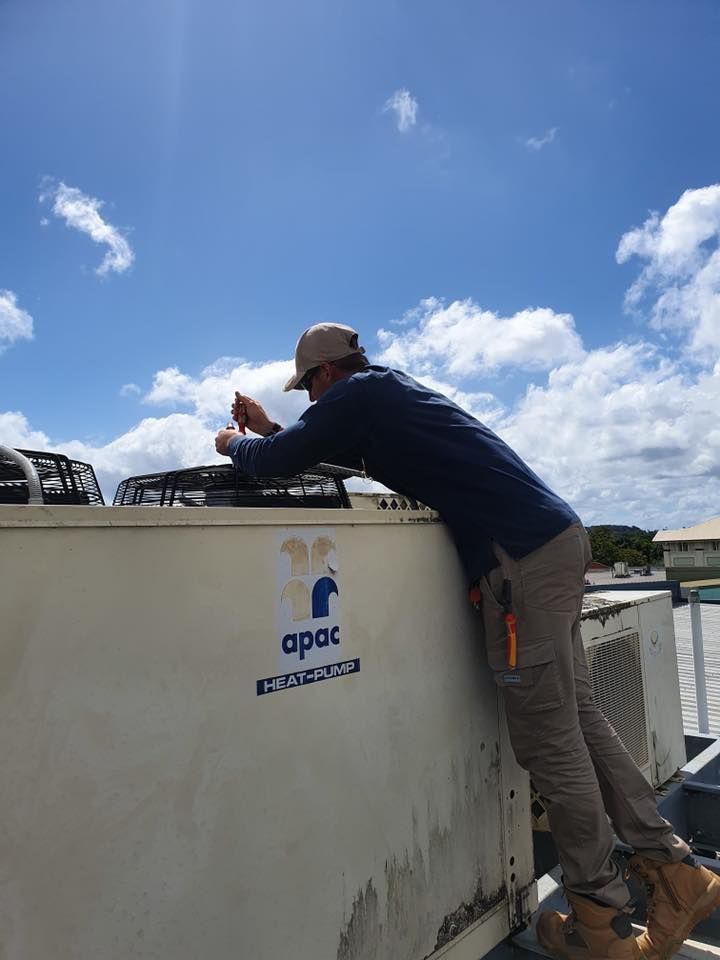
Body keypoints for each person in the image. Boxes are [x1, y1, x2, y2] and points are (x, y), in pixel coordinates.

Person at [215, 322, 720, 960]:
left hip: (520, 563)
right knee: (582, 721)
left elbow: (281, 463)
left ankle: (602, 924)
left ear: (323, 376)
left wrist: (236, 441)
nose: (312, 405)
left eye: (310, 392)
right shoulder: (385, 397)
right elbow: (322, 452)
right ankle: (677, 873)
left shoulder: (355, 396)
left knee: (551, 745)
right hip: (556, 539)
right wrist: (267, 427)